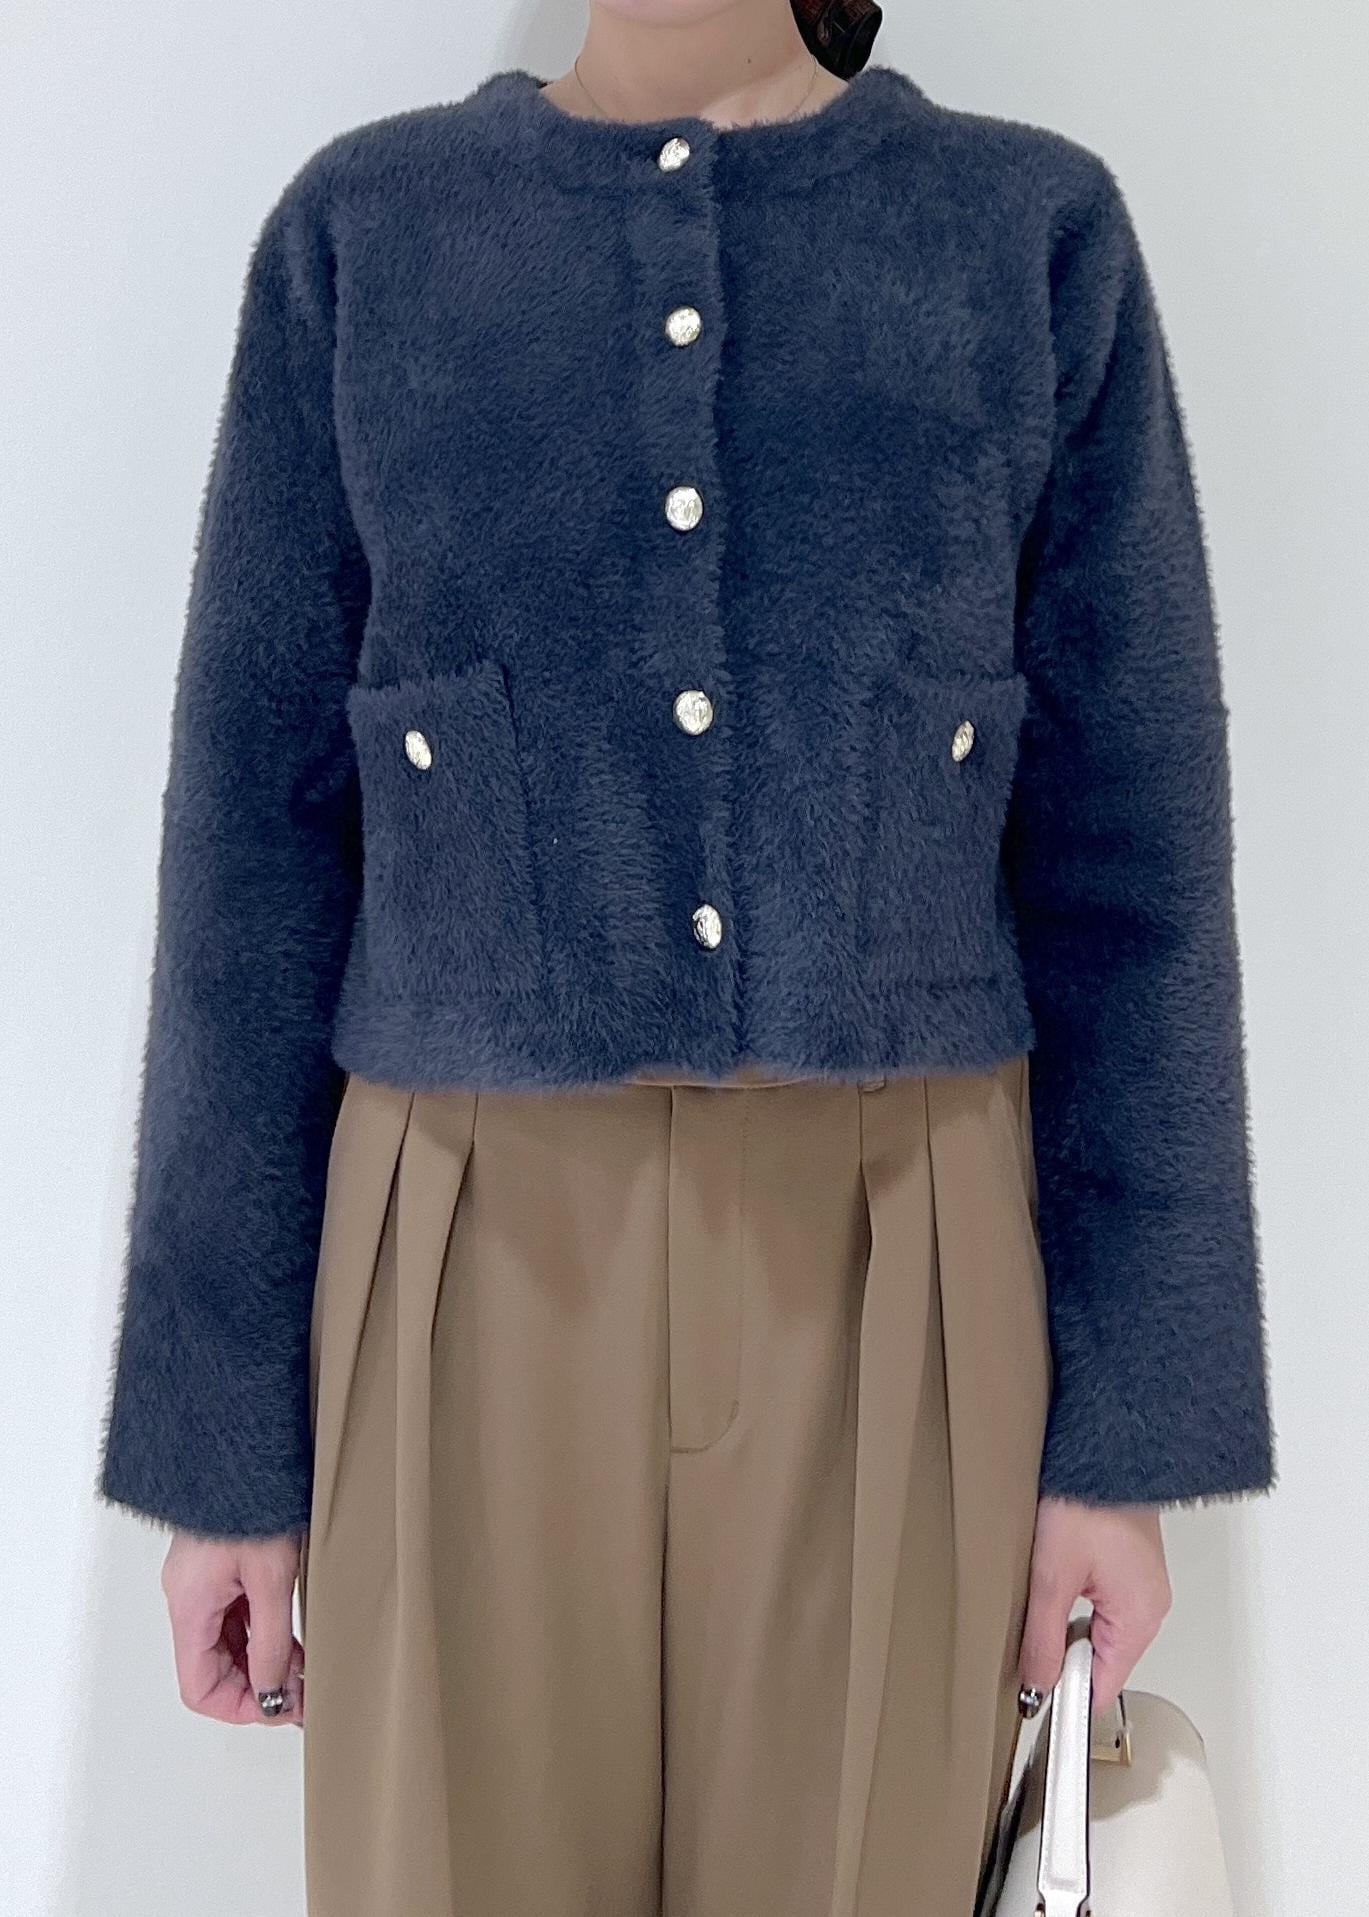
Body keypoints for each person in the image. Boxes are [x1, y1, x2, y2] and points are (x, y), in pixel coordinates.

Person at [96, 2, 1277, 1912]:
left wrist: (1121, 1440)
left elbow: (1132, 881)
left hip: (904, 1261)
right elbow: (249, 859)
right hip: (458, 1257)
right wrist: (221, 1455)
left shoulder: (1023, 241)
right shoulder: (366, 238)